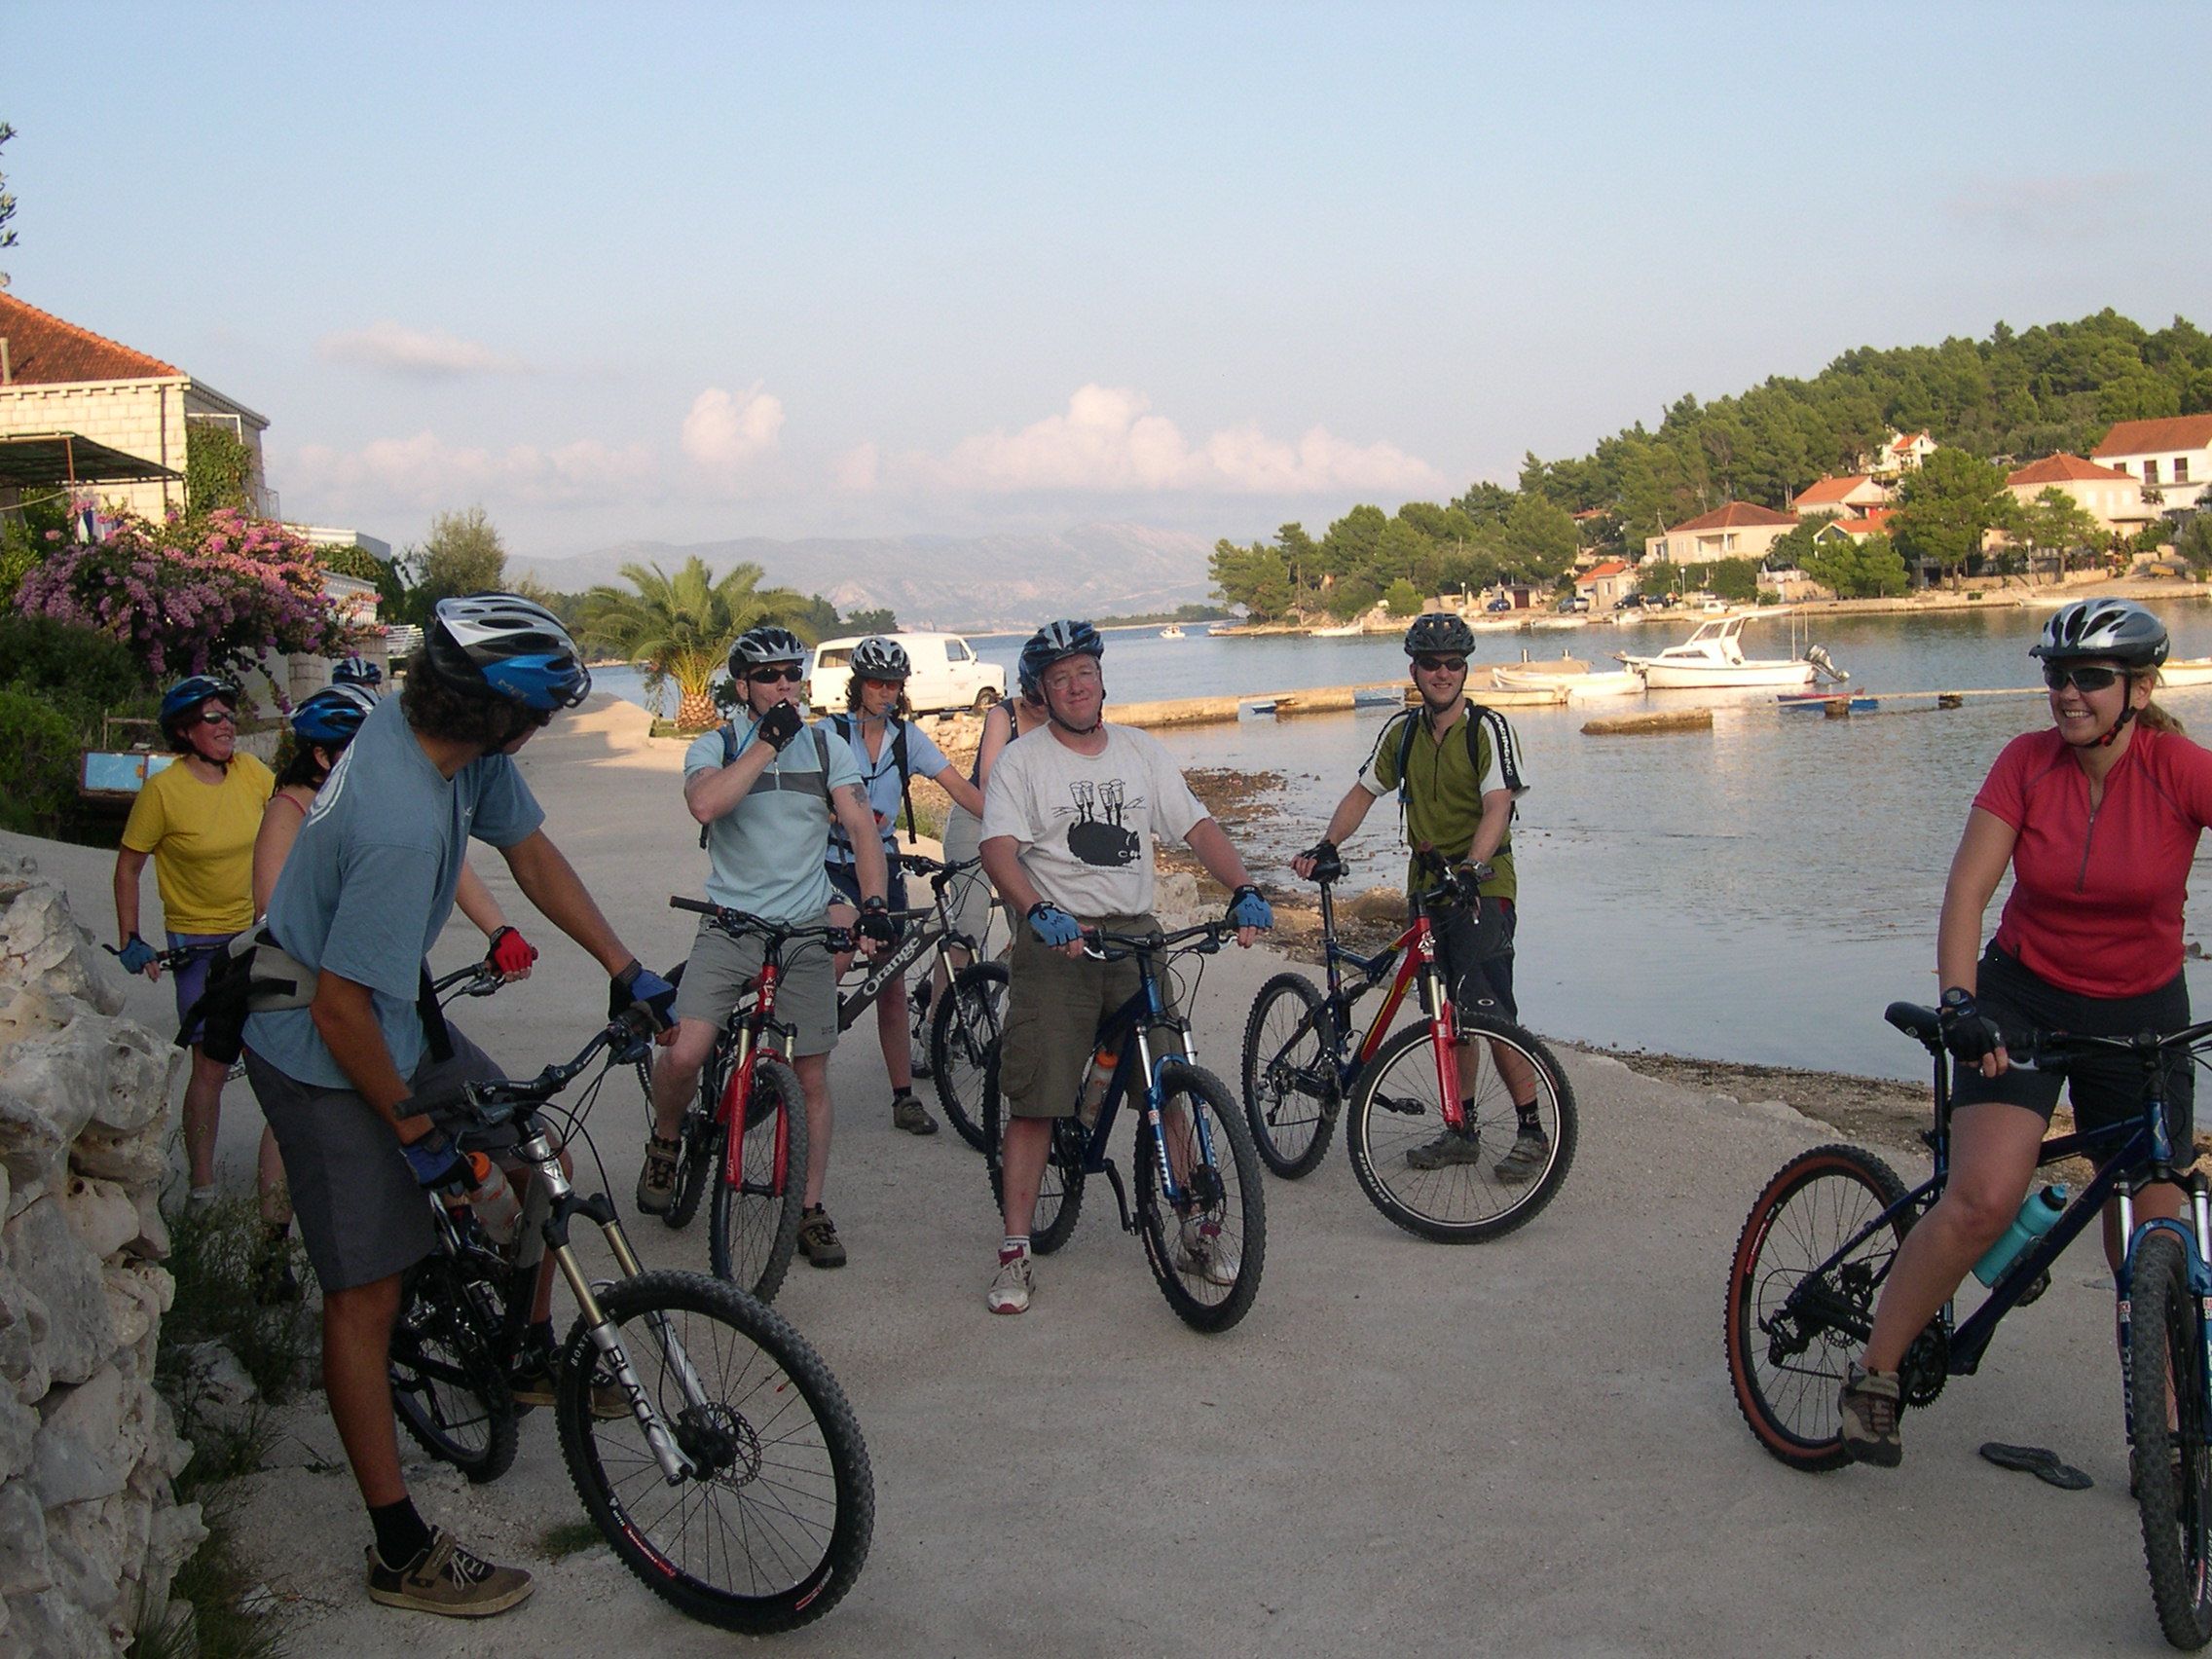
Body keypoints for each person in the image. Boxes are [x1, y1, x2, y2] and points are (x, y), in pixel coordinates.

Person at [240, 594, 678, 1617]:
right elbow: (342, 1013)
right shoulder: (396, 819)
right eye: (540, 716)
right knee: (368, 1288)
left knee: (527, 1152)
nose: (541, 733)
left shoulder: (448, 739)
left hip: (387, 1013)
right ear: (494, 712)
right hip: (314, 1041)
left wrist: (622, 965)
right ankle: (398, 1549)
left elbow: (527, 852)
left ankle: (524, 1354)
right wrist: (412, 1135)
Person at [1840, 598, 2211, 1468]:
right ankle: (1876, 1375)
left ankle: (2164, 1435)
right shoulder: (2026, 763)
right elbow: (1969, 891)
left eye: (2090, 678)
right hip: (2024, 996)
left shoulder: (2179, 768)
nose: (2068, 695)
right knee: (1983, 1199)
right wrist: (1962, 1002)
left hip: (2142, 1011)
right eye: (2057, 676)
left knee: (2159, 1222)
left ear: (2140, 688)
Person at [977, 619, 1273, 1314]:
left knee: (1171, 1082)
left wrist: (1245, 888)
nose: (1076, 686)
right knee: (1038, 1097)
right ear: (1042, 693)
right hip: (1057, 939)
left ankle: (1195, 1228)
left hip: (1136, 937)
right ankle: (1017, 1249)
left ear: (1102, 679)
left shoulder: (1141, 752)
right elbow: (997, 849)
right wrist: (1033, 910)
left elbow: (1197, 827)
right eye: (1060, 678)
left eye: (1085, 672)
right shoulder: (1024, 761)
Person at [247, 684, 540, 1301]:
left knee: (530, 1154)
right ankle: (272, 1239)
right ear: (324, 758)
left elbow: (452, 860)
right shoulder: (300, 811)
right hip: (314, 1006)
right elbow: (286, 922)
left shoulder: (416, 792)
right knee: (320, 1156)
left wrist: (499, 928)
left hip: (394, 1000)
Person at [636, 624, 892, 1271]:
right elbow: (704, 805)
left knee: (810, 1075)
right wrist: (764, 746)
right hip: (730, 926)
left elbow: (861, 828)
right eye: (770, 676)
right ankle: (668, 1136)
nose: (785, 685)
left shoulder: (830, 748)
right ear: (743, 686)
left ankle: (808, 1207)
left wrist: (873, 905)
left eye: (792, 674)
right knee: (685, 1051)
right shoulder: (715, 744)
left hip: (804, 927)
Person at [1291, 611, 1545, 1179]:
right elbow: (1363, 792)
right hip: (1428, 888)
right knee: (1444, 1012)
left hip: (1482, 887)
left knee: (1485, 1009)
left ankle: (1531, 1129)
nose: (1443, 672)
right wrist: (1327, 843)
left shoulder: (1487, 728)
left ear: (1465, 669)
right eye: (1431, 663)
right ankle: (1462, 1129)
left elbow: (1498, 804)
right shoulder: (1401, 732)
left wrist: (1474, 869)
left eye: (1454, 663)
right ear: (1415, 669)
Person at [113, 675, 276, 1209]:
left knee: (275, 1052)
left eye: (229, 714)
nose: (228, 724)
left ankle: (278, 1185)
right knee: (211, 1062)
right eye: (214, 717)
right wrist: (131, 937)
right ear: (185, 731)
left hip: (256, 933)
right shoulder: (163, 791)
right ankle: (203, 1187)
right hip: (200, 945)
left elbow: (291, 824)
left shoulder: (251, 773)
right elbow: (129, 866)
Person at [819, 636, 986, 1135]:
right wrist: (838, 813)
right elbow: (803, 799)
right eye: (876, 682)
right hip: (829, 862)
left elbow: (960, 789)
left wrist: (1011, 826)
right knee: (839, 955)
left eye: (894, 684)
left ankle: (903, 1098)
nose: (886, 692)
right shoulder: (828, 734)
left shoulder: (906, 739)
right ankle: (794, 1053)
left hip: (883, 864)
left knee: (890, 980)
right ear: (858, 685)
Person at [932, 681, 1049, 1012]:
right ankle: (935, 1021)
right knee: (967, 927)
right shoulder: (1004, 715)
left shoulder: (1061, 721)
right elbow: (988, 782)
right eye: (1032, 697)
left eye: (1045, 699)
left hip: (1027, 830)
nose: (1038, 706)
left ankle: (1015, 1008)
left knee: (1036, 926)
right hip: (978, 817)